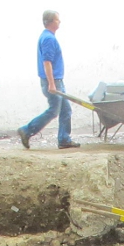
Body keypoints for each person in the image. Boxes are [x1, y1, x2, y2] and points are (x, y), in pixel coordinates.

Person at [18, 10, 78, 151]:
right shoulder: (49, 39)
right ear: (51, 22)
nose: (59, 22)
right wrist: (51, 84)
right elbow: (47, 62)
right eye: (57, 20)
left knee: (66, 111)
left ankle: (64, 139)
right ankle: (27, 130)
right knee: (53, 111)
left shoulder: (47, 37)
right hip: (53, 82)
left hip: (57, 81)